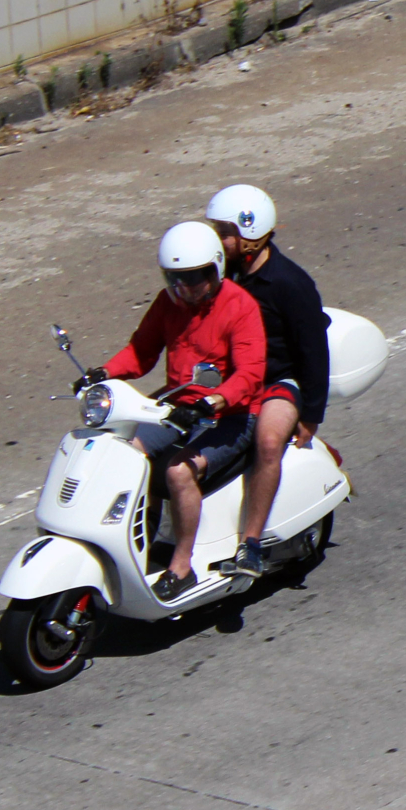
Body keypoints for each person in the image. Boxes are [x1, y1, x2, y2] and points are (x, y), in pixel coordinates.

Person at [97, 223, 267, 601]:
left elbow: (250, 374)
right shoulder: (168, 303)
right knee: (124, 450)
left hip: (231, 416)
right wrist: (104, 372)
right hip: (179, 407)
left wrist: (212, 401)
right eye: (177, 280)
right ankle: (142, 537)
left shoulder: (240, 307)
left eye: (195, 280)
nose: (186, 290)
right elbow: (141, 351)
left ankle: (182, 565)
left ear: (216, 270)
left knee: (178, 471)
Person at [204, 184, 331, 579]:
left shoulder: (290, 284)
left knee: (268, 440)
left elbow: (313, 352)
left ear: (251, 234)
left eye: (225, 232)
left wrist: (310, 416)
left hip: (279, 379)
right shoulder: (222, 276)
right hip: (235, 378)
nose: (218, 240)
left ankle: (251, 544)